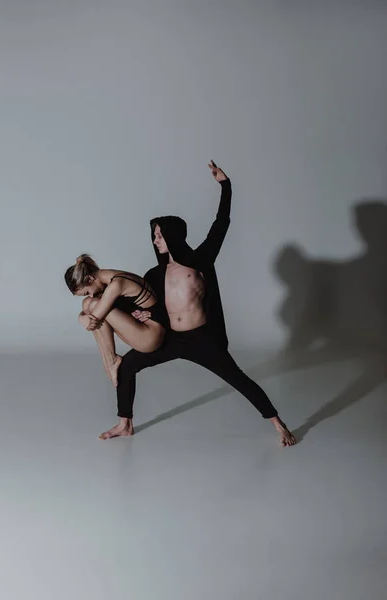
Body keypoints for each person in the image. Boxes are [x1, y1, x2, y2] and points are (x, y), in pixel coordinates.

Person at [100, 161, 296, 446]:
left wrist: (225, 186)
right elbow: (141, 301)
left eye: (159, 234)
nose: (155, 240)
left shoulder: (201, 261)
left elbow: (221, 224)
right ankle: (125, 424)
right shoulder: (154, 274)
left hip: (202, 339)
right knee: (128, 366)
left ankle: (279, 425)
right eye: (153, 235)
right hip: (168, 338)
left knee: (238, 378)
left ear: (173, 235)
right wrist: (140, 313)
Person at [64, 255, 168, 387]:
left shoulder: (117, 284)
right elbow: (89, 315)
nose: (90, 295)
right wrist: (81, 317)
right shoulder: (109, 278)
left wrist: (82, 319)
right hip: (142, 327)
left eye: (87, 292)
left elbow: (93, 320)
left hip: (151, 337)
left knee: (93, 305)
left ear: (90, 278)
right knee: (88, 303)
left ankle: (111, 361)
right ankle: (109, 362)